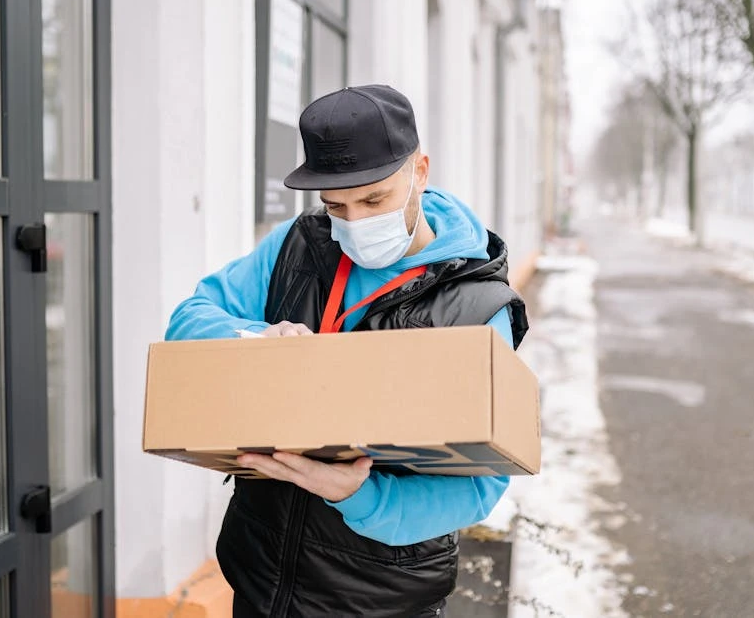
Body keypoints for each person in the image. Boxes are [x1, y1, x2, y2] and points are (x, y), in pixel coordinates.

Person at [165, 84, 528, 617]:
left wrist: (359, 495)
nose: (354, 223)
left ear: (420, 172)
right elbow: (188, 322)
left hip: (378, 602)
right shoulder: (299, 244)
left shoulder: (477, 306)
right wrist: (256, 341)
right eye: (336, 205)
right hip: (259, 582)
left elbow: (480, 485)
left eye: (374, 199)